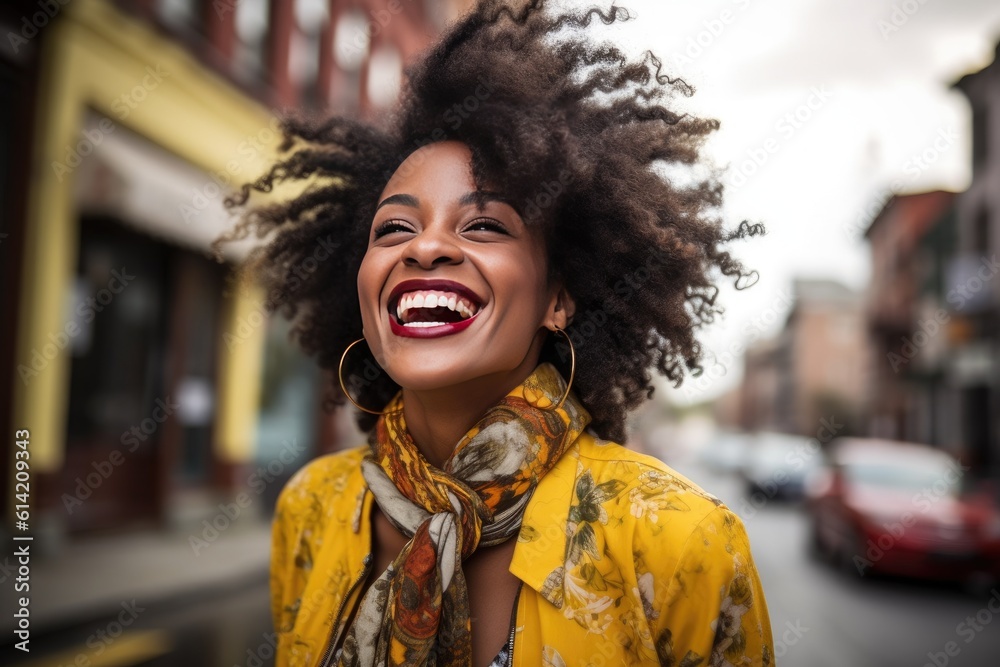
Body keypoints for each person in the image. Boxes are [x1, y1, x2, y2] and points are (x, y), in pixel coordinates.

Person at [220, 1, 773, 665]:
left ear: (559, 297)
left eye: (482, 225)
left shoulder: (682, 540)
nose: (424, 249)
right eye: (394, 228)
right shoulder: (310, 508)